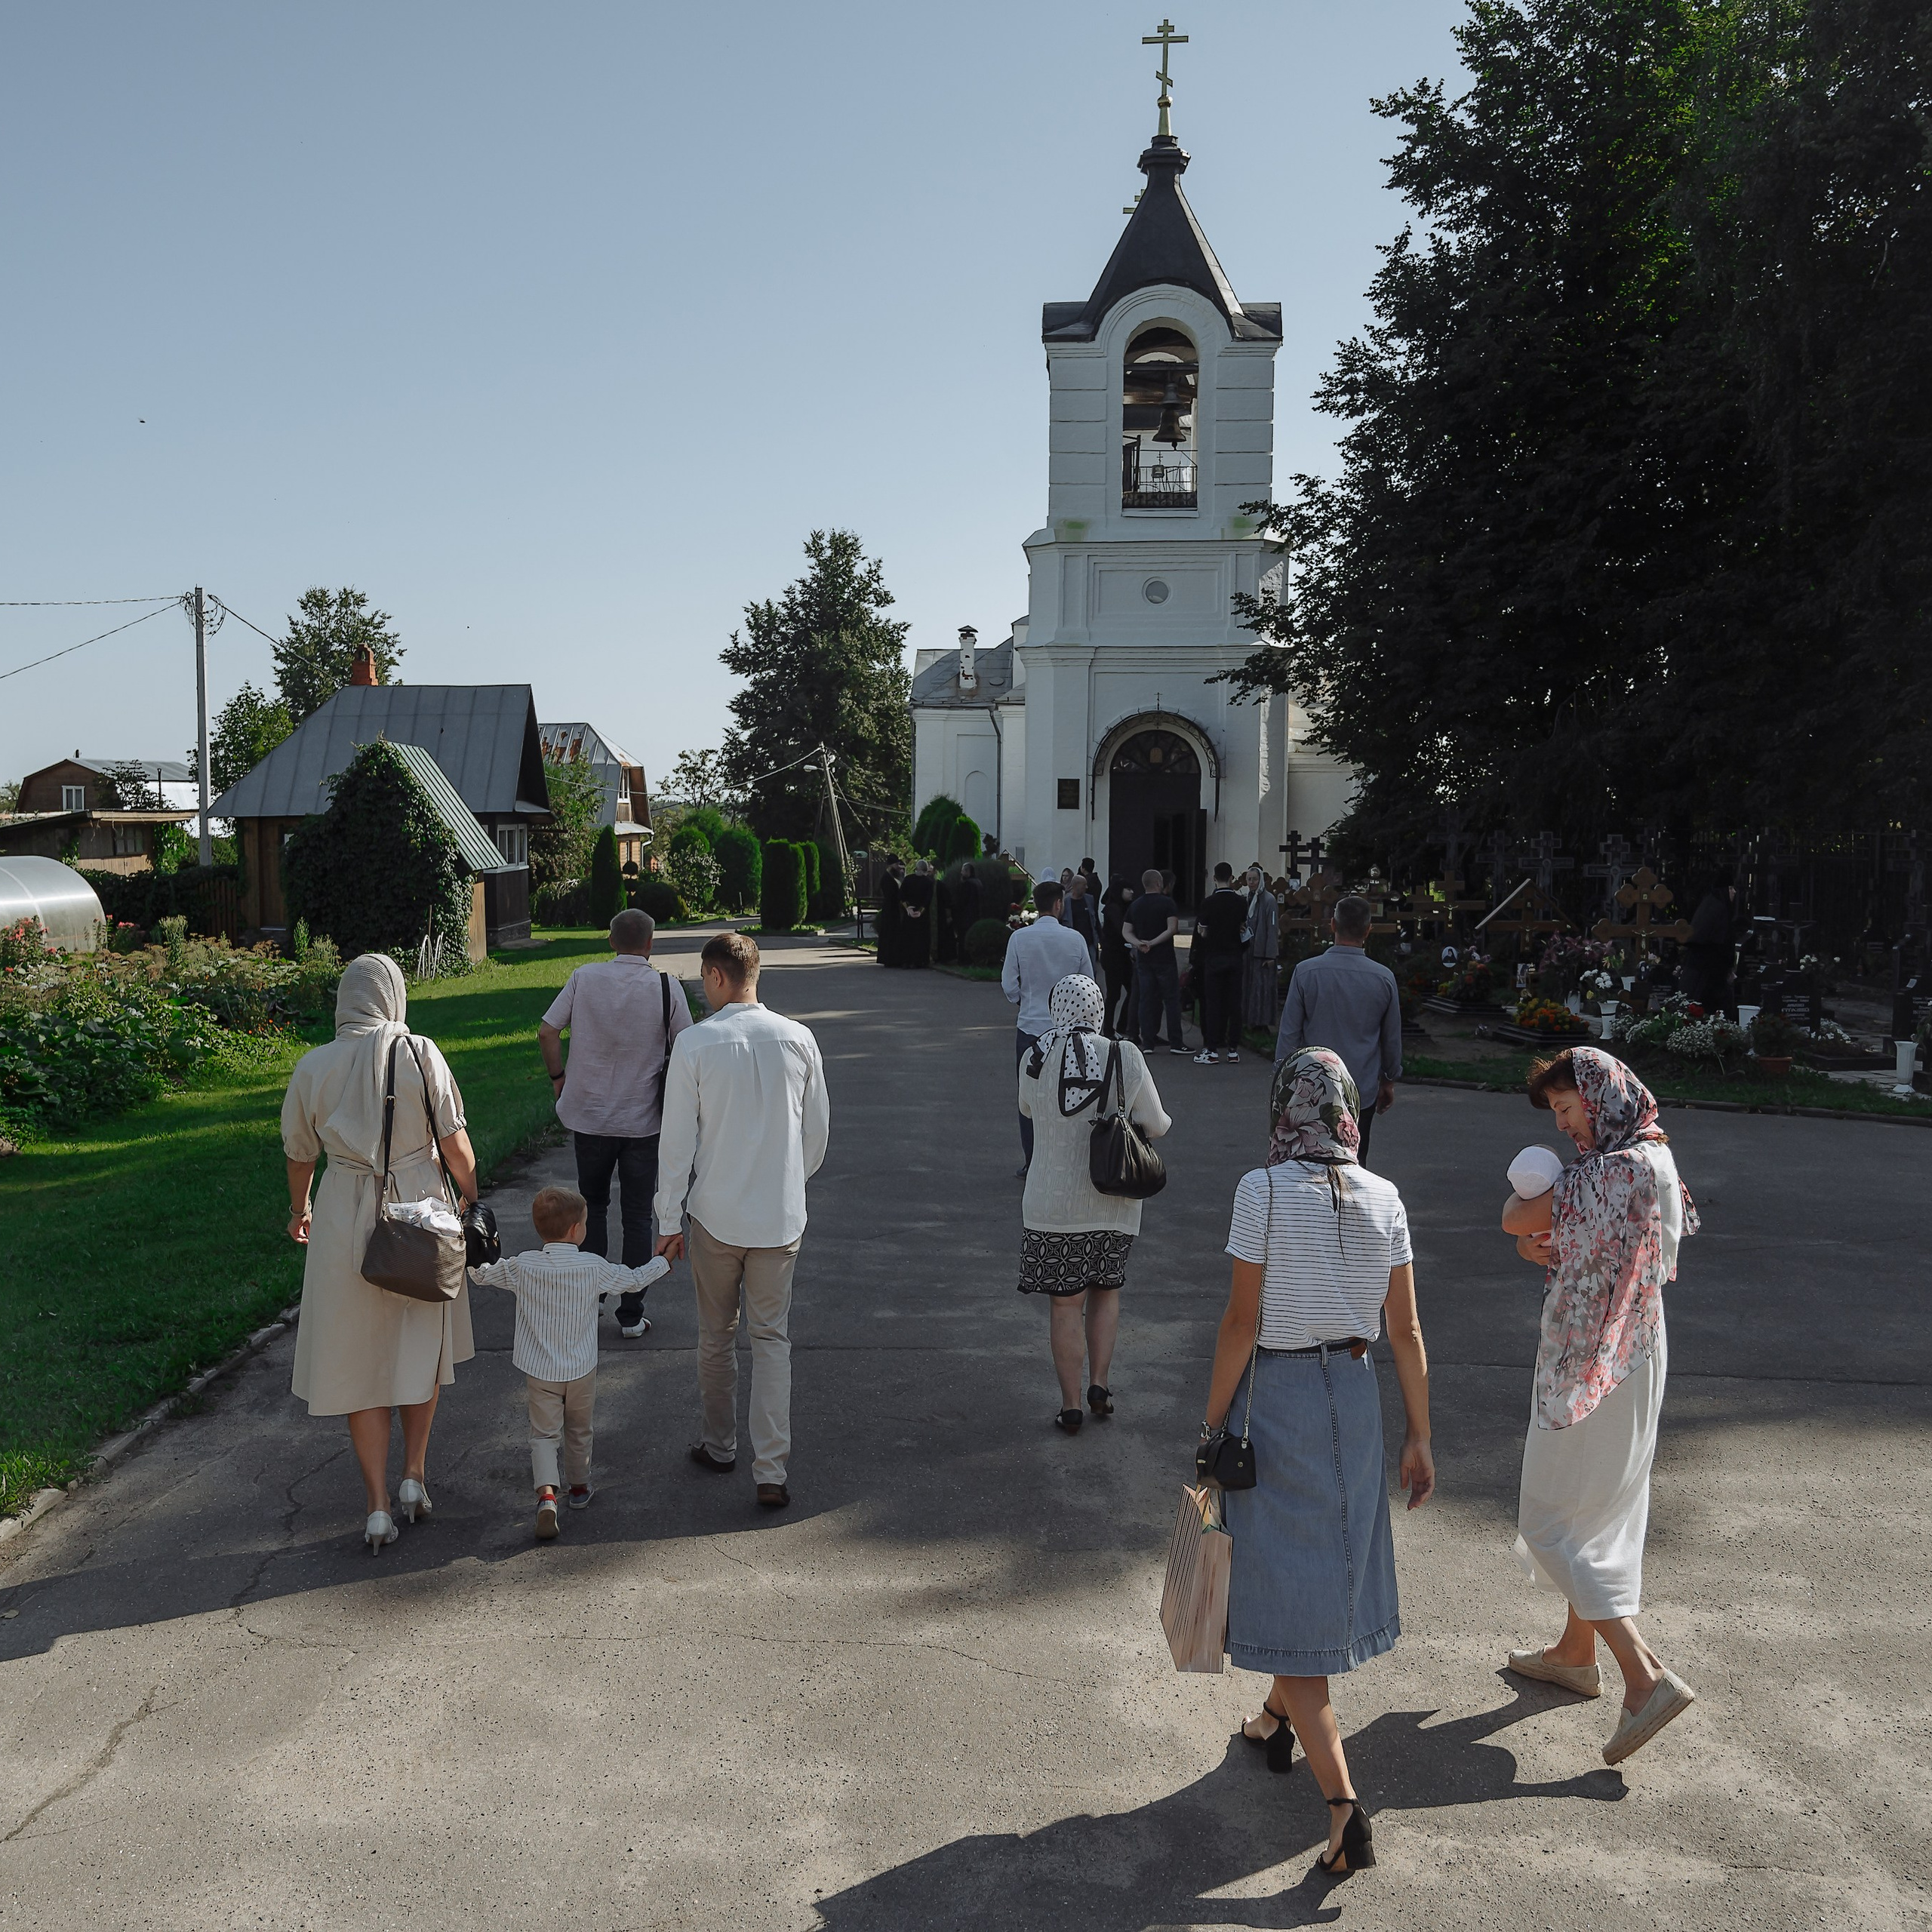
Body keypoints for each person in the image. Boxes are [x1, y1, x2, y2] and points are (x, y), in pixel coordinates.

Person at [1201, 1048, 1434, 1877]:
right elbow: (1404, 1330)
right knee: (1318, 1568)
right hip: (1357, 1394)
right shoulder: (1385, 1196)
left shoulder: (1260, 1190)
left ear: (1282, 1109)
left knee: (1282, 1576)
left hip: (1279, 1394)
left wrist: (1211, 1418)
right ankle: (1271, 1721)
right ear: (1348, 1111)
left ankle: (1342, 1805)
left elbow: (1240, 1319)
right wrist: (1419, 1434)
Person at [1499, 1047, 1700, 1766]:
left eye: (1565, 1108)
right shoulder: (1656, 1158)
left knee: (1549, 1517)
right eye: (1555, 1114)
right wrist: (1551, 1250)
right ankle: (1574, 1653)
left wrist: (1535, 1236)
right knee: (1601, 1509)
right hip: (1636, 1349)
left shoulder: (1615, 1170)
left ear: (1598, 1094)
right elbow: (1600, 1247)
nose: (1562, 1126)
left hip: (1593, 1363)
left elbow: (1514, 1217)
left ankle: (1642, 1677)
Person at [281, 953, 479, 1552]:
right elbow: (456, 1146)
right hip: (419, 1211)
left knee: (358, 1361)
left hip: (345, 1214)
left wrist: (301, 1209)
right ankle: (414, 1476)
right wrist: (471, 1198)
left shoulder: (313, 1066)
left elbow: (298, 1154)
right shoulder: (421, 1053)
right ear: (394, 997)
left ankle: (375, 1507)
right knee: (419, 1347)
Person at [655, 932, 829, 1509]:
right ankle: (771, 1468)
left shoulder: (696, 1044)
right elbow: (816, 1135)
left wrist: (668, 1217)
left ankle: (720, 1443)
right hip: (779, 1216)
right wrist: (786, 1182)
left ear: (714, 976)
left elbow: (676, 1142)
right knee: (772, 1338)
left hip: (714, 1215)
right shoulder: (800, 1038)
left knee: (716, 1336)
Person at [469, 1186, 669, 1540]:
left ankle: (547, 1495)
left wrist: (468, 1248)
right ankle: (579, 1488)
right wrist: (663, 1261)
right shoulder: (592, 1266)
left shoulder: (523, 1265)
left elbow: (483, 1273)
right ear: (577, 1230)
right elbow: (634, 1280)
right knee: (579, 1429)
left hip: (540, 1370)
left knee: (544, 1435)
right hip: (581, 1369)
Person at [1019, 974, 1171, 1429]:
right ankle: (1100, 1385)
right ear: (1098, 1009)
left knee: (1065, 1304)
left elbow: (1027, 1108)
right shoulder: (1124, 1055)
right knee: (1106, 1292)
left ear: (1056, 1008)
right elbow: (1157, 1124)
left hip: (1051, 1203)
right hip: (1112, 1200)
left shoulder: (1036, 1055)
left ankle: (1069, 1407)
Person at [537, 907, 693, 1339]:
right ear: (650, 944)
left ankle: (590, 1303)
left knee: (592, 1207)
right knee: (639, 1216)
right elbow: (687, 1048)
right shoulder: (667, 987)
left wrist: (558, 1079)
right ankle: (631, 1313)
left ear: (610, 941)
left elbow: (548, 1032)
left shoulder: (584, 977)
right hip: (642, 1118)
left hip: (589, 1114)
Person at [1274, 895, 1401, 1168]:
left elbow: (1289, 1035)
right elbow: (1391, 1039)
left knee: (1306, 1161)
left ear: (1333, 924)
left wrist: (1282, 1084)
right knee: (1355, 1160)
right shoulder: (1383, 978)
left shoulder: (1306, 972)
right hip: (1360, 1087)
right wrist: (1389, 1080)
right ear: (1368, 930)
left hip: (1310, 1086)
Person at [1000, 879, 1094, 1174]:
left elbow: (1008, 985)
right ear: (1058, 904)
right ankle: (1067, 1161)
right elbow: (1088, 984)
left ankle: (1033, 1162)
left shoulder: (1019, 939)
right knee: (1069, 1094)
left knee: (1029, 1098)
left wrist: (1023, 1000)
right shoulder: (1075, 939)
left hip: (1031, 1028)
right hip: (1068, 1031)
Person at [1192, 862, 1249, 1065]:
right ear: (1232, 877)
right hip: (1234, 956)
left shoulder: (1208, 903)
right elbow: (1243, 927)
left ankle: (1213, 1049)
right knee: (1234, 1004)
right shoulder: (1241, 902)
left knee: (1213, 1004)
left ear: (1214, 878)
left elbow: (1203, 931)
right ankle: (1233, 1049)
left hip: (1214, 958)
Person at [1127, 868, 1188, 1055]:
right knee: (1171, 1000)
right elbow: (1172, 928)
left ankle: (1148, 1043)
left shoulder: (1135, 905)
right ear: (1159, 883)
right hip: (1165, 958)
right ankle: (1176, 1043)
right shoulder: (1167, 903)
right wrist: (1153, 943)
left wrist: (1139, 944)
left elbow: (1126, 931)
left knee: (1146, 1000)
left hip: (1144, 960)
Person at [1679, 876, 1737, 1017]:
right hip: (1708, 973)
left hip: (1704, 970)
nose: (1734, 892)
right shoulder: (1719, 908)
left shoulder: (1711, 905)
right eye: (1731, 888)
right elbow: (1721, 944)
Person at [1241, 864, 1281, 1031]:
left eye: (1255, 879)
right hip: (1248, 951)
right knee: (1249, 988)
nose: (1252, 883)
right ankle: (1249, 1020)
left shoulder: (1269, 900)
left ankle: (1262, 1023)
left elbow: (1272, 928)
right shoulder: (1248, 898)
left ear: (1261, 880)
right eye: (1249, 879)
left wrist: (1270, 955)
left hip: (1262, 952)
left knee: (1262, 988)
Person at [1098, 878, 1138, 1041]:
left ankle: (1122, 1025)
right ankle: (1108, 1029)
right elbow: (1121, 928)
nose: (1132, 892)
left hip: (1121, 956)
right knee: (1114, 994)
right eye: (1128, 889)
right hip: (1113, 956)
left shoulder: (1123, 907)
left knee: (1132, 990)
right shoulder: (1112, 909)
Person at [1063, 869, 1101, 975]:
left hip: (1089, 943)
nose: (1086, 888)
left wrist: (1099, 938)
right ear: (1076, 886)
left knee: (1091, 971)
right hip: (1073, 944)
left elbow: (1095, 919)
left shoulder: (1089, 900)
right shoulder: (1066, 902)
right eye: (1084, 885)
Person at [899, 860, 935, 968]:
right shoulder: (929, 882)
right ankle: (920, 961)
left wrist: (907, 909)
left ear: (917, 868)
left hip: (909, 912)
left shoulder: (908, 879)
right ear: (926, 870)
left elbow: (901, 896)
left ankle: (906, 961)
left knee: (907, 937)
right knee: (921, 939)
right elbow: (928, 900)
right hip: (922, 915)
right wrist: (920, 911)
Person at [875, 859, 906, 967]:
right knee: (889, 935)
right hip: (890, 909)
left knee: (893, 935)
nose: (898, 866)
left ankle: (894, 958)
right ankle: (889, 959)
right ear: (890, 865)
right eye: (896, 864)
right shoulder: (887, 878)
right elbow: (891, 894)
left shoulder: (892, 876)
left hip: (893, 909)